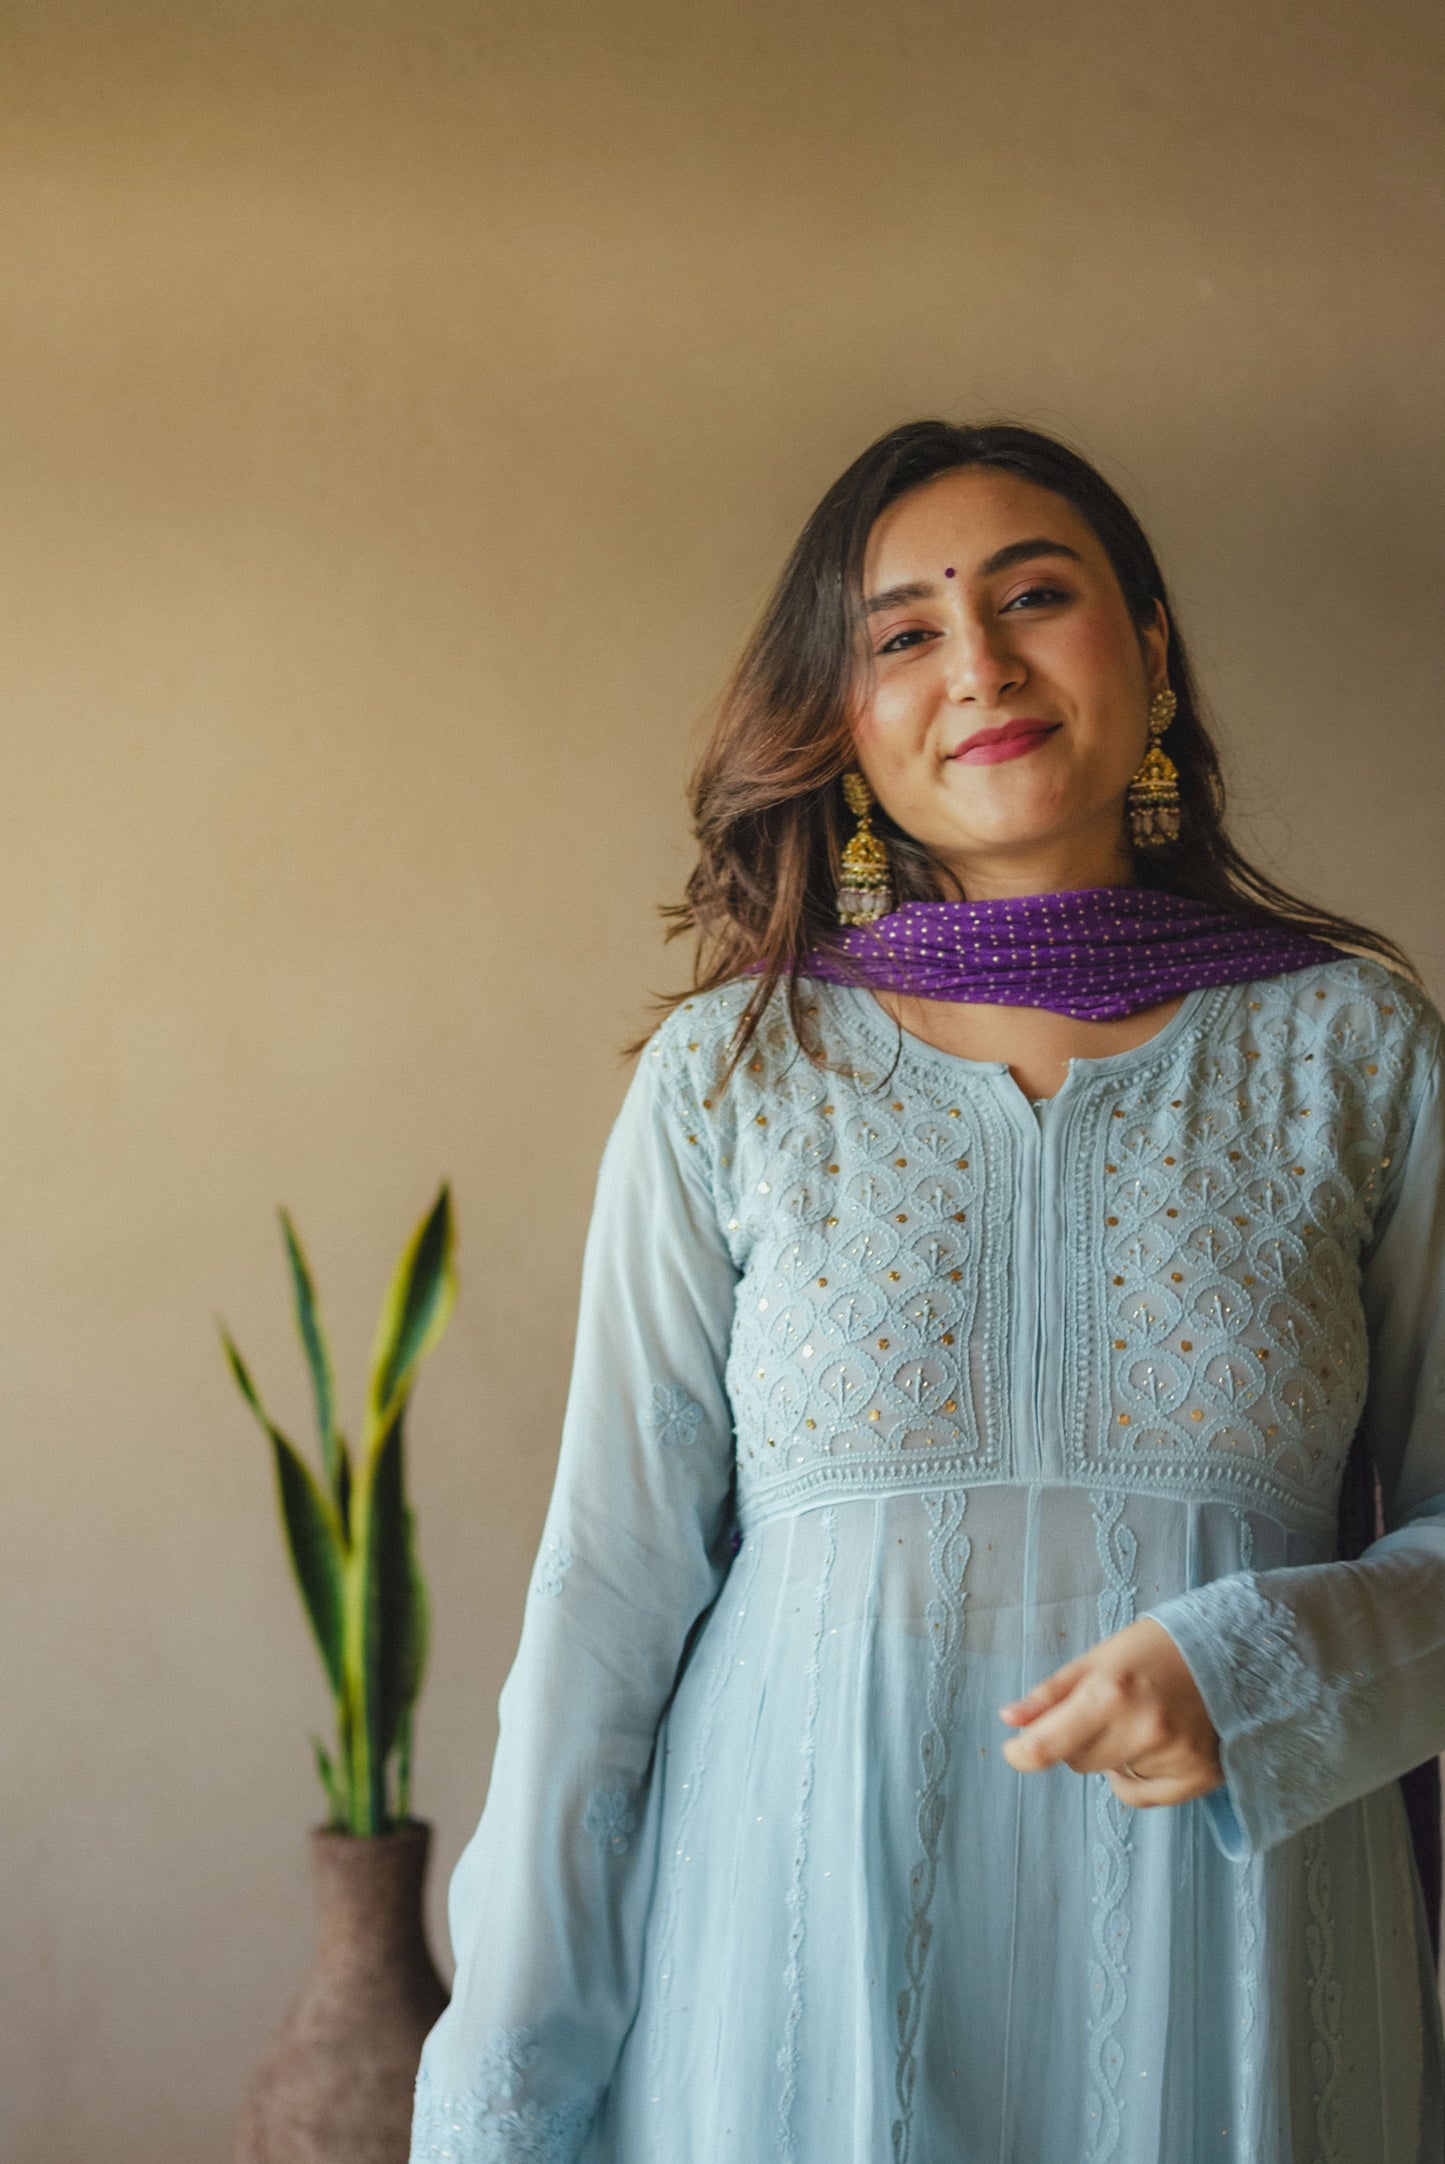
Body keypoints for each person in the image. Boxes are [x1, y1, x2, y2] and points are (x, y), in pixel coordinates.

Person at [410, 421, 1445, 2162]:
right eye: (901, 634)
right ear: (846, 719)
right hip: (792, 1975)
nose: (977, 663)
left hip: (1239, 1982)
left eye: (1034, 596)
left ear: (1155, 648)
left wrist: (1269, 1664)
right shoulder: (732, 1072)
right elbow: (603, 1613)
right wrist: (497, 2108)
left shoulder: (1354, 1055)